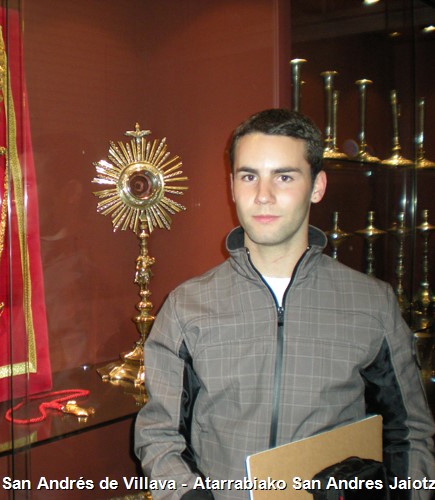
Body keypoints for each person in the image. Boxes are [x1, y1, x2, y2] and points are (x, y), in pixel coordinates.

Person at [134, 108, 435, 500]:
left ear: (317, 186)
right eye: (249, 176)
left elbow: (409, 433)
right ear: (232, 186)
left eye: (285, 176)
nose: (263, 195)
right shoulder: (187, 306)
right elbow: (158, 434)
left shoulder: (372, 304)